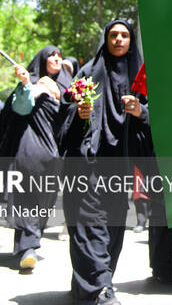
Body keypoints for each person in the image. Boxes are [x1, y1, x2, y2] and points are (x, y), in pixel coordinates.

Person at [58, 19, 149, 305]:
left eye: (124, 35)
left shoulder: (141, 78)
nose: (119, 39)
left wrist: (141, 112)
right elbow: (64, 112)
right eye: (113, 35)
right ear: (106, 39)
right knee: (89, 224)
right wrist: (79, 114)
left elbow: (160, 115)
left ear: (130, 41)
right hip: (88, 164)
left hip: (121, 166)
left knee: (112, 227)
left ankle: (90, 283)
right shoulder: (88, 73)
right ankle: (100, 289)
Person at [0, 46, 72, 270]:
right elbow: (20, 108)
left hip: (55, 153)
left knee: (44, 199)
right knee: (26, 194)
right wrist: (27, 85)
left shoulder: (69, 87)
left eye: (59, 56)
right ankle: (29, 248)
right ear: (42, 60)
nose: (56, 59)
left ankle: (24, 244)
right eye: (51, 55)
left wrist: (58, 94)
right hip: (30, 147)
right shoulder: (31, 84)